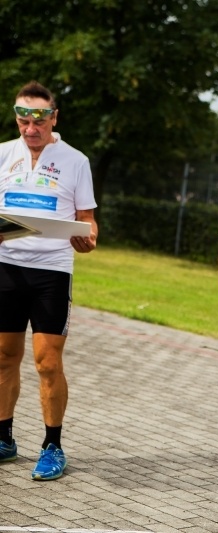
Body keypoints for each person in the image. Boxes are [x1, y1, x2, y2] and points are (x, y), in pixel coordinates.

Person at [0, 81, 98, 480]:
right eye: (23, 119)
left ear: (53, 117)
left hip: (52, 272)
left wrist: (87, 240)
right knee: (4, 356)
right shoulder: (3, 154)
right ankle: (4, 437)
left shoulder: (76, 160)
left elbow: (88, 222)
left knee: (47, 362)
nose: (30, 127)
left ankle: (52, 445)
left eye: (39, 119)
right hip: (6, 267)